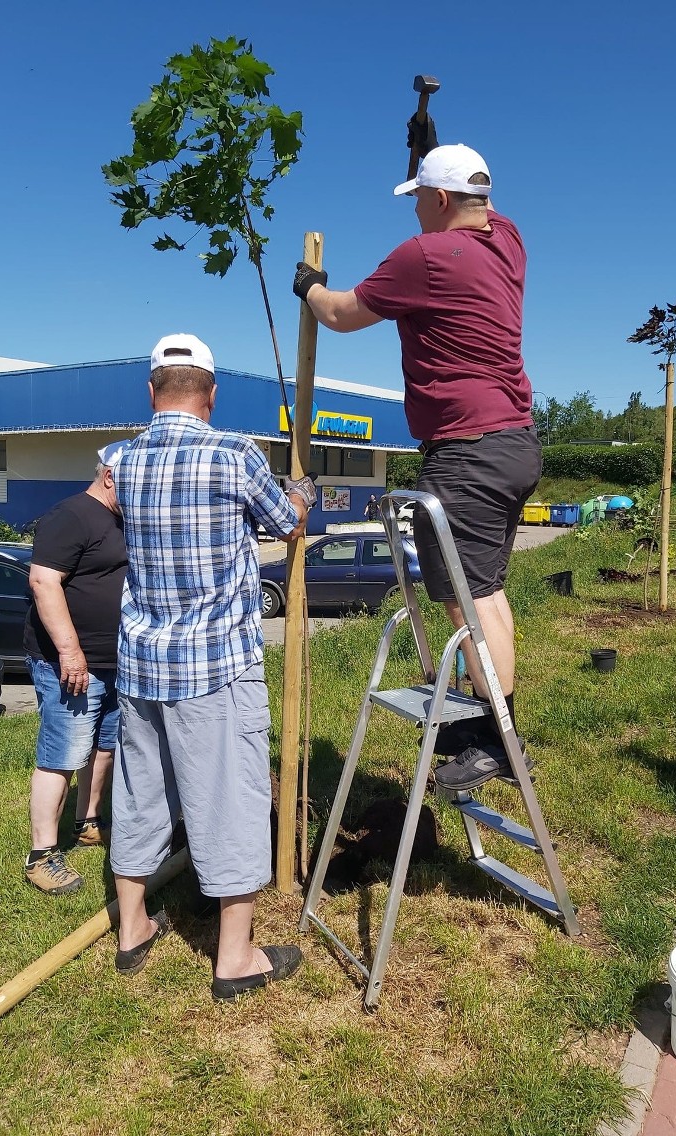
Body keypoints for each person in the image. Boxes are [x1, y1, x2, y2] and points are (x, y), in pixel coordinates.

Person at [293, 144, 541, 792]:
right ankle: (488, 726)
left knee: (472, 601)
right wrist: (427, 144)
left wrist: (310, 286)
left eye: (420, 205)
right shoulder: (507, 241)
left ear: (437, 201)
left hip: (468, 451)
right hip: (513, 443)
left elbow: (343, 315)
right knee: (487, 593)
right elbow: (472, 202)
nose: (416, 220)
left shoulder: (425, 257)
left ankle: (496, 742)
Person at [110, 333, 317, 997]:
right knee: (230, 798)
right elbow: (288, 522)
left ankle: (132, 928)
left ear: (151, 391)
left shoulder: (122, 459)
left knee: (141, 792)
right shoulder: (234, 455)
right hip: (214, 667)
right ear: (211, 393)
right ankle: (235, 959)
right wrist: (303, 491)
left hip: (142, 663)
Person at [23, 441, 130, 894]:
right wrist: (70, 652)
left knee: (104, 747)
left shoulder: (118, 519)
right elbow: (43, 582)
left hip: (113, 662)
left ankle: (89, 821)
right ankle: (42, 855)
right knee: (62, 755)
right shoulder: (70, 515)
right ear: (108, 476)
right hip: (69, 664)